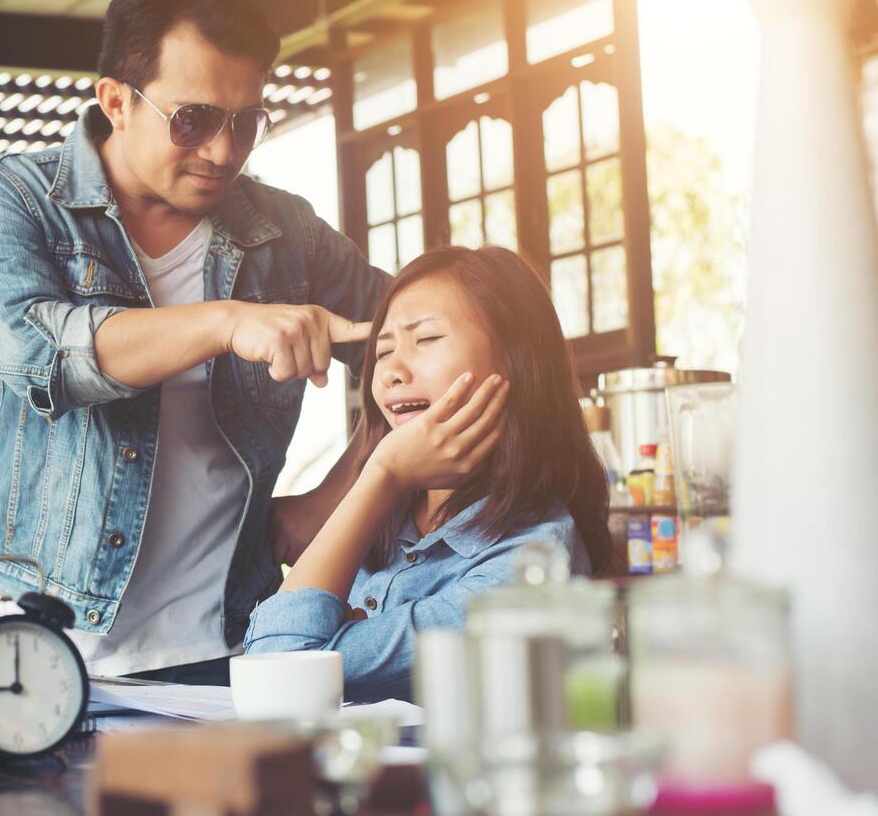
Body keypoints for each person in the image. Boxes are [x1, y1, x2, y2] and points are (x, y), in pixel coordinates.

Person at [0, 0, 445, 684]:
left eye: (245, 123)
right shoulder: (12, 199)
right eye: (193, 119)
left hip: (233, 646)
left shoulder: (288, 231)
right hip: (42, 653)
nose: (221, 150)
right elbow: (39, 356)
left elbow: (411, 347)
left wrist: (340, 494)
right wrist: (226, 323)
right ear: (116, 101)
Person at [243, 246, 614, 702]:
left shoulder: (529, 564)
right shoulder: (386, 519)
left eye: (427, 340)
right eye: (383, 351)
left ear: (517, 360)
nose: (393, 372)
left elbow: (278, 672)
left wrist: (383, 471)